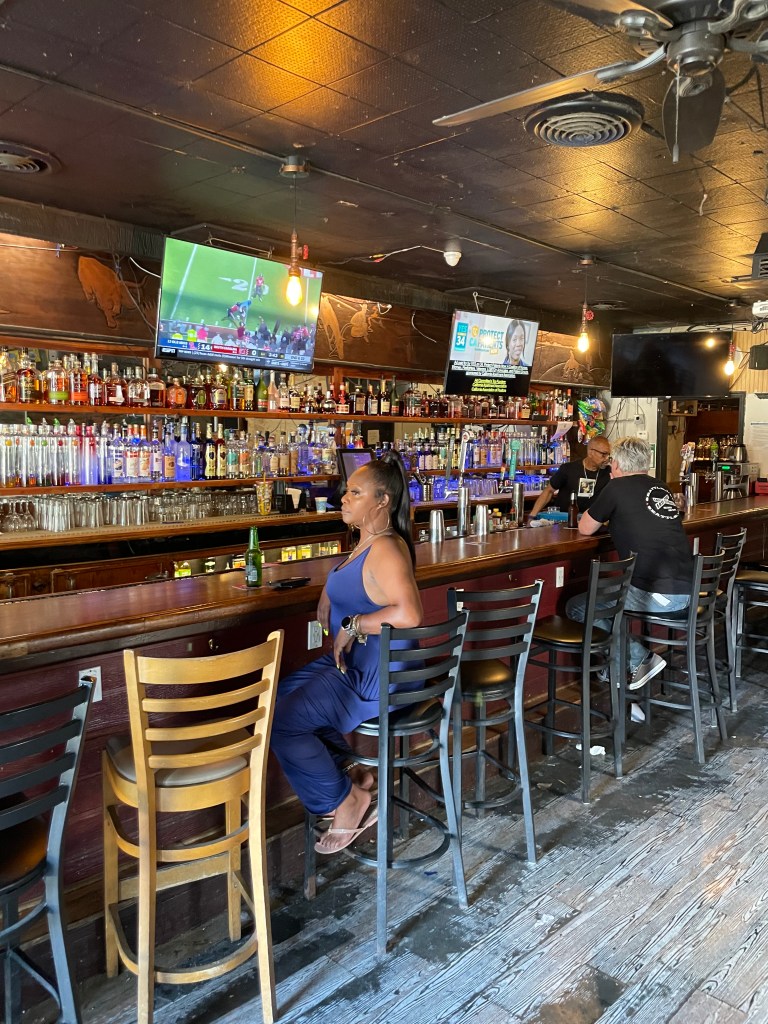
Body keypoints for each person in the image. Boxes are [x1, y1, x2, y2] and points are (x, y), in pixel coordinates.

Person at [269, 452, 423, 855]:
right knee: (278, 698)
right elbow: (362, 576)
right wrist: (331, 583)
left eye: (355, 492)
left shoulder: (387, 548)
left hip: (376, 677)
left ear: (382, 501)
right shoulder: (368, 543)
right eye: (346, 490)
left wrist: (353, 624)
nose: (344, 497)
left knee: (284, 723)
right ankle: (352, 771)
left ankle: (345, 801)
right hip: (358, 666)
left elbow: (409, 613)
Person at [567, 436, 694, 690]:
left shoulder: (616, 488)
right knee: (607, 600)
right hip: (688, 590)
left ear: (618, 464)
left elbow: (584, 528)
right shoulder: (660, 487)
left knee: (579, 607)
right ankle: (615, 667)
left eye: (612, 462)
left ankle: (639, 658)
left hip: (659, 594)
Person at [529, 436, 612, 519]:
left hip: (590, 522)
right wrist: (532, 515)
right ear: (591, 452)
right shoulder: (568, 469)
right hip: (563, 520)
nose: (607, 459)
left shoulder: (610, 473)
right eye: (603, 454)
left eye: (609, 455)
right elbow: (549, 491)